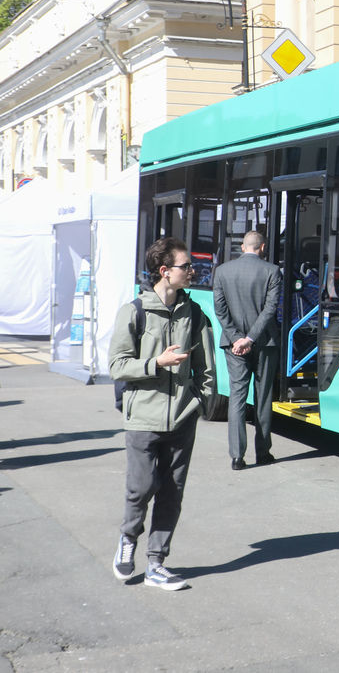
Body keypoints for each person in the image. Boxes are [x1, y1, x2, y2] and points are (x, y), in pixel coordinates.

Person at [109, 236, 217, 591]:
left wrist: (199, 402)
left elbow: (206, 367)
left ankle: (157, 562)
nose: (192, 271)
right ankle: (128, 541)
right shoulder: (134, 311)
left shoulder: (195, 313)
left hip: (182, 419)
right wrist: (157, 362)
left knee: (172, 492)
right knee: (140, 488)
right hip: (142, 418)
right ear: (164, 271)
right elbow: (117, 364)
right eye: (186, 266)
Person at [213, 230, 283, 470]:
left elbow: (220, 311)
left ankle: (237, 456)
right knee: (262, 398)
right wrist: (251, 338)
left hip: (233, 345)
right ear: (262, 248)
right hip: (265, 343)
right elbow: (270, 309)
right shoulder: (272, 271)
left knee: (237, 397)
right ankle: (262, 452)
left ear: (242, 247)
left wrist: (237, 339)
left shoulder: (222, 271)